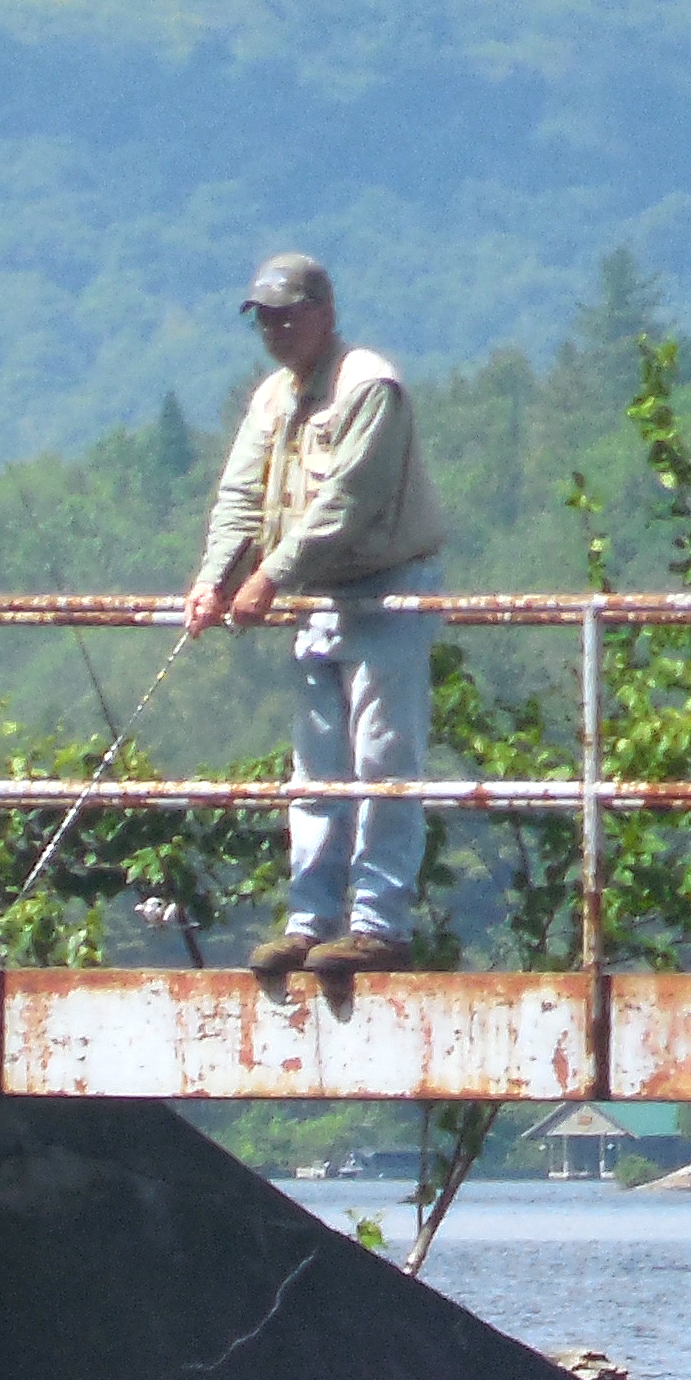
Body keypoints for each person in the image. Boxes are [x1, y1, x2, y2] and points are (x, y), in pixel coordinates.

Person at [182, 252, 446, 975]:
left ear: (324, 313)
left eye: (287, 315)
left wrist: (268, 575)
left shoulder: (368, 385)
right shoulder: (273, 396)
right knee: (317, 769)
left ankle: (377, 925)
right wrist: (214, 580)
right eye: (263, 318)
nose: (274, 329)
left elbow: (347, 504)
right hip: (317, 597)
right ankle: (309, 922)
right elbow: (241, 496)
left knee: (383, 761)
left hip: (387, 591)